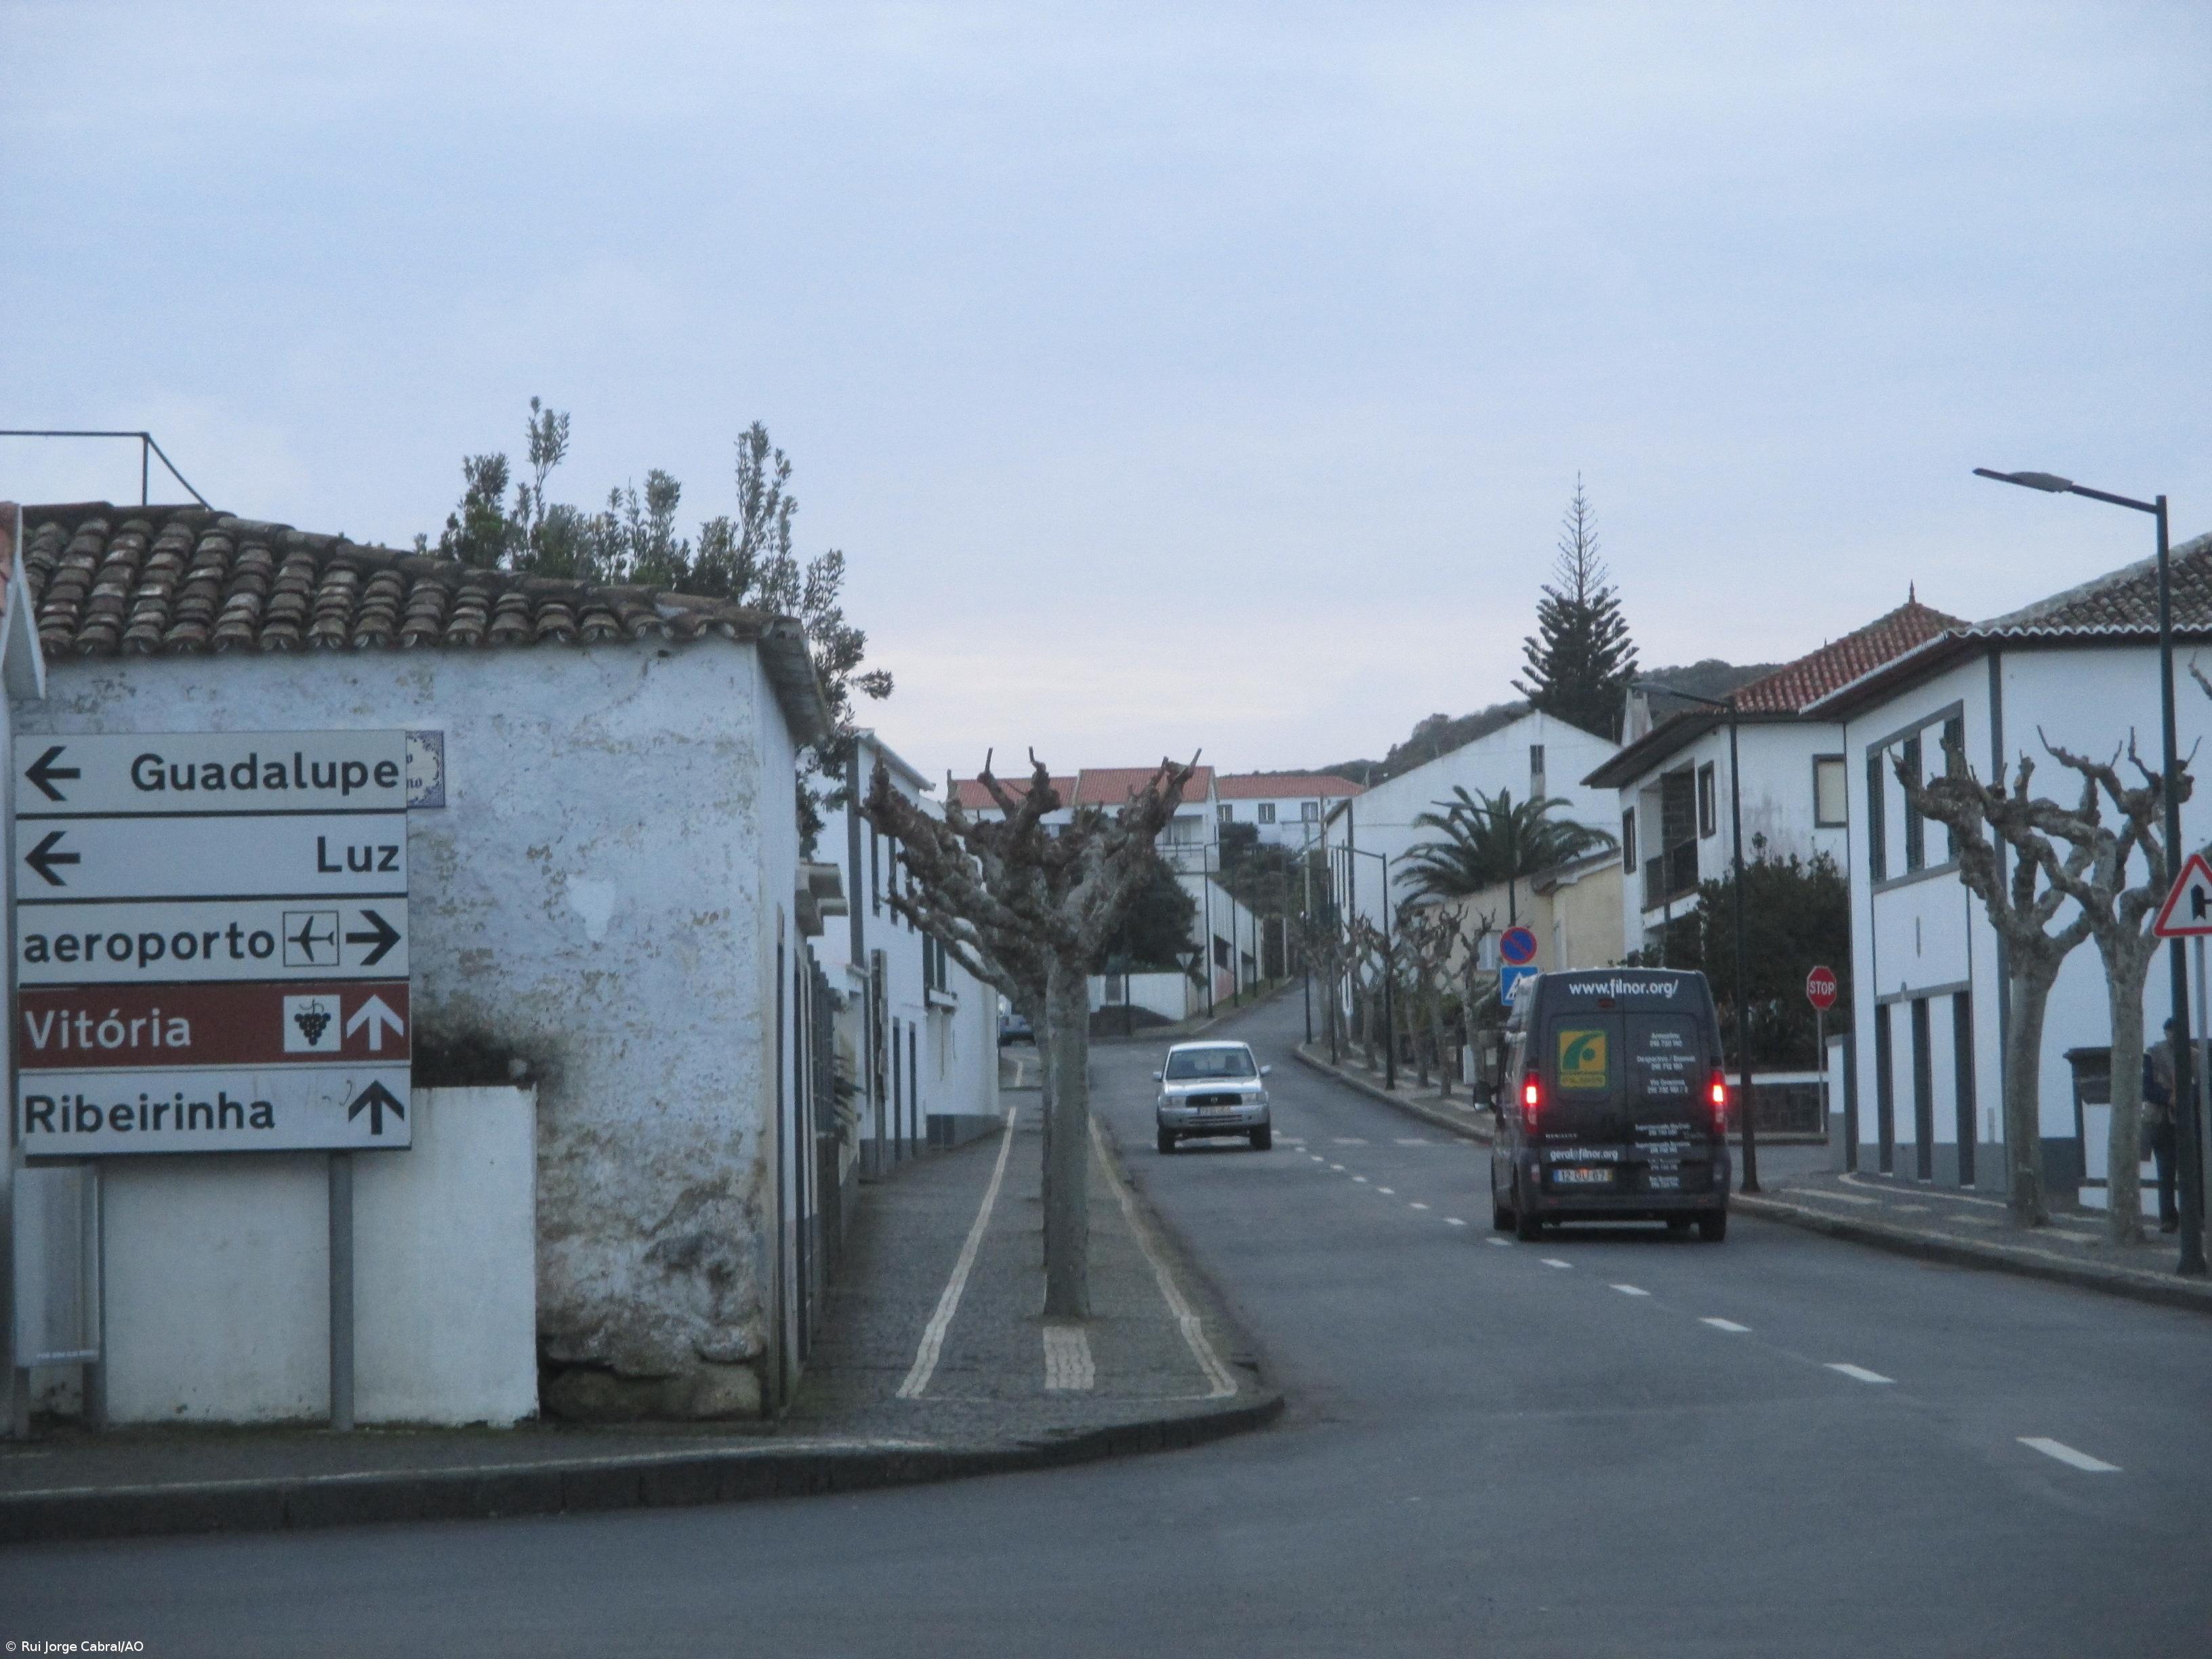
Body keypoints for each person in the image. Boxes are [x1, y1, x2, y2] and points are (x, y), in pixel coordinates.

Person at [2142, 1021, 2181, 1233]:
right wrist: (2169, 1098)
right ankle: (2168, 1217)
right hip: (2162, 1120)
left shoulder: (2192, 1054)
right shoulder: (2152, 1054)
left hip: (2184, 1118)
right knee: (2166, 1170)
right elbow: (2147, 1088)